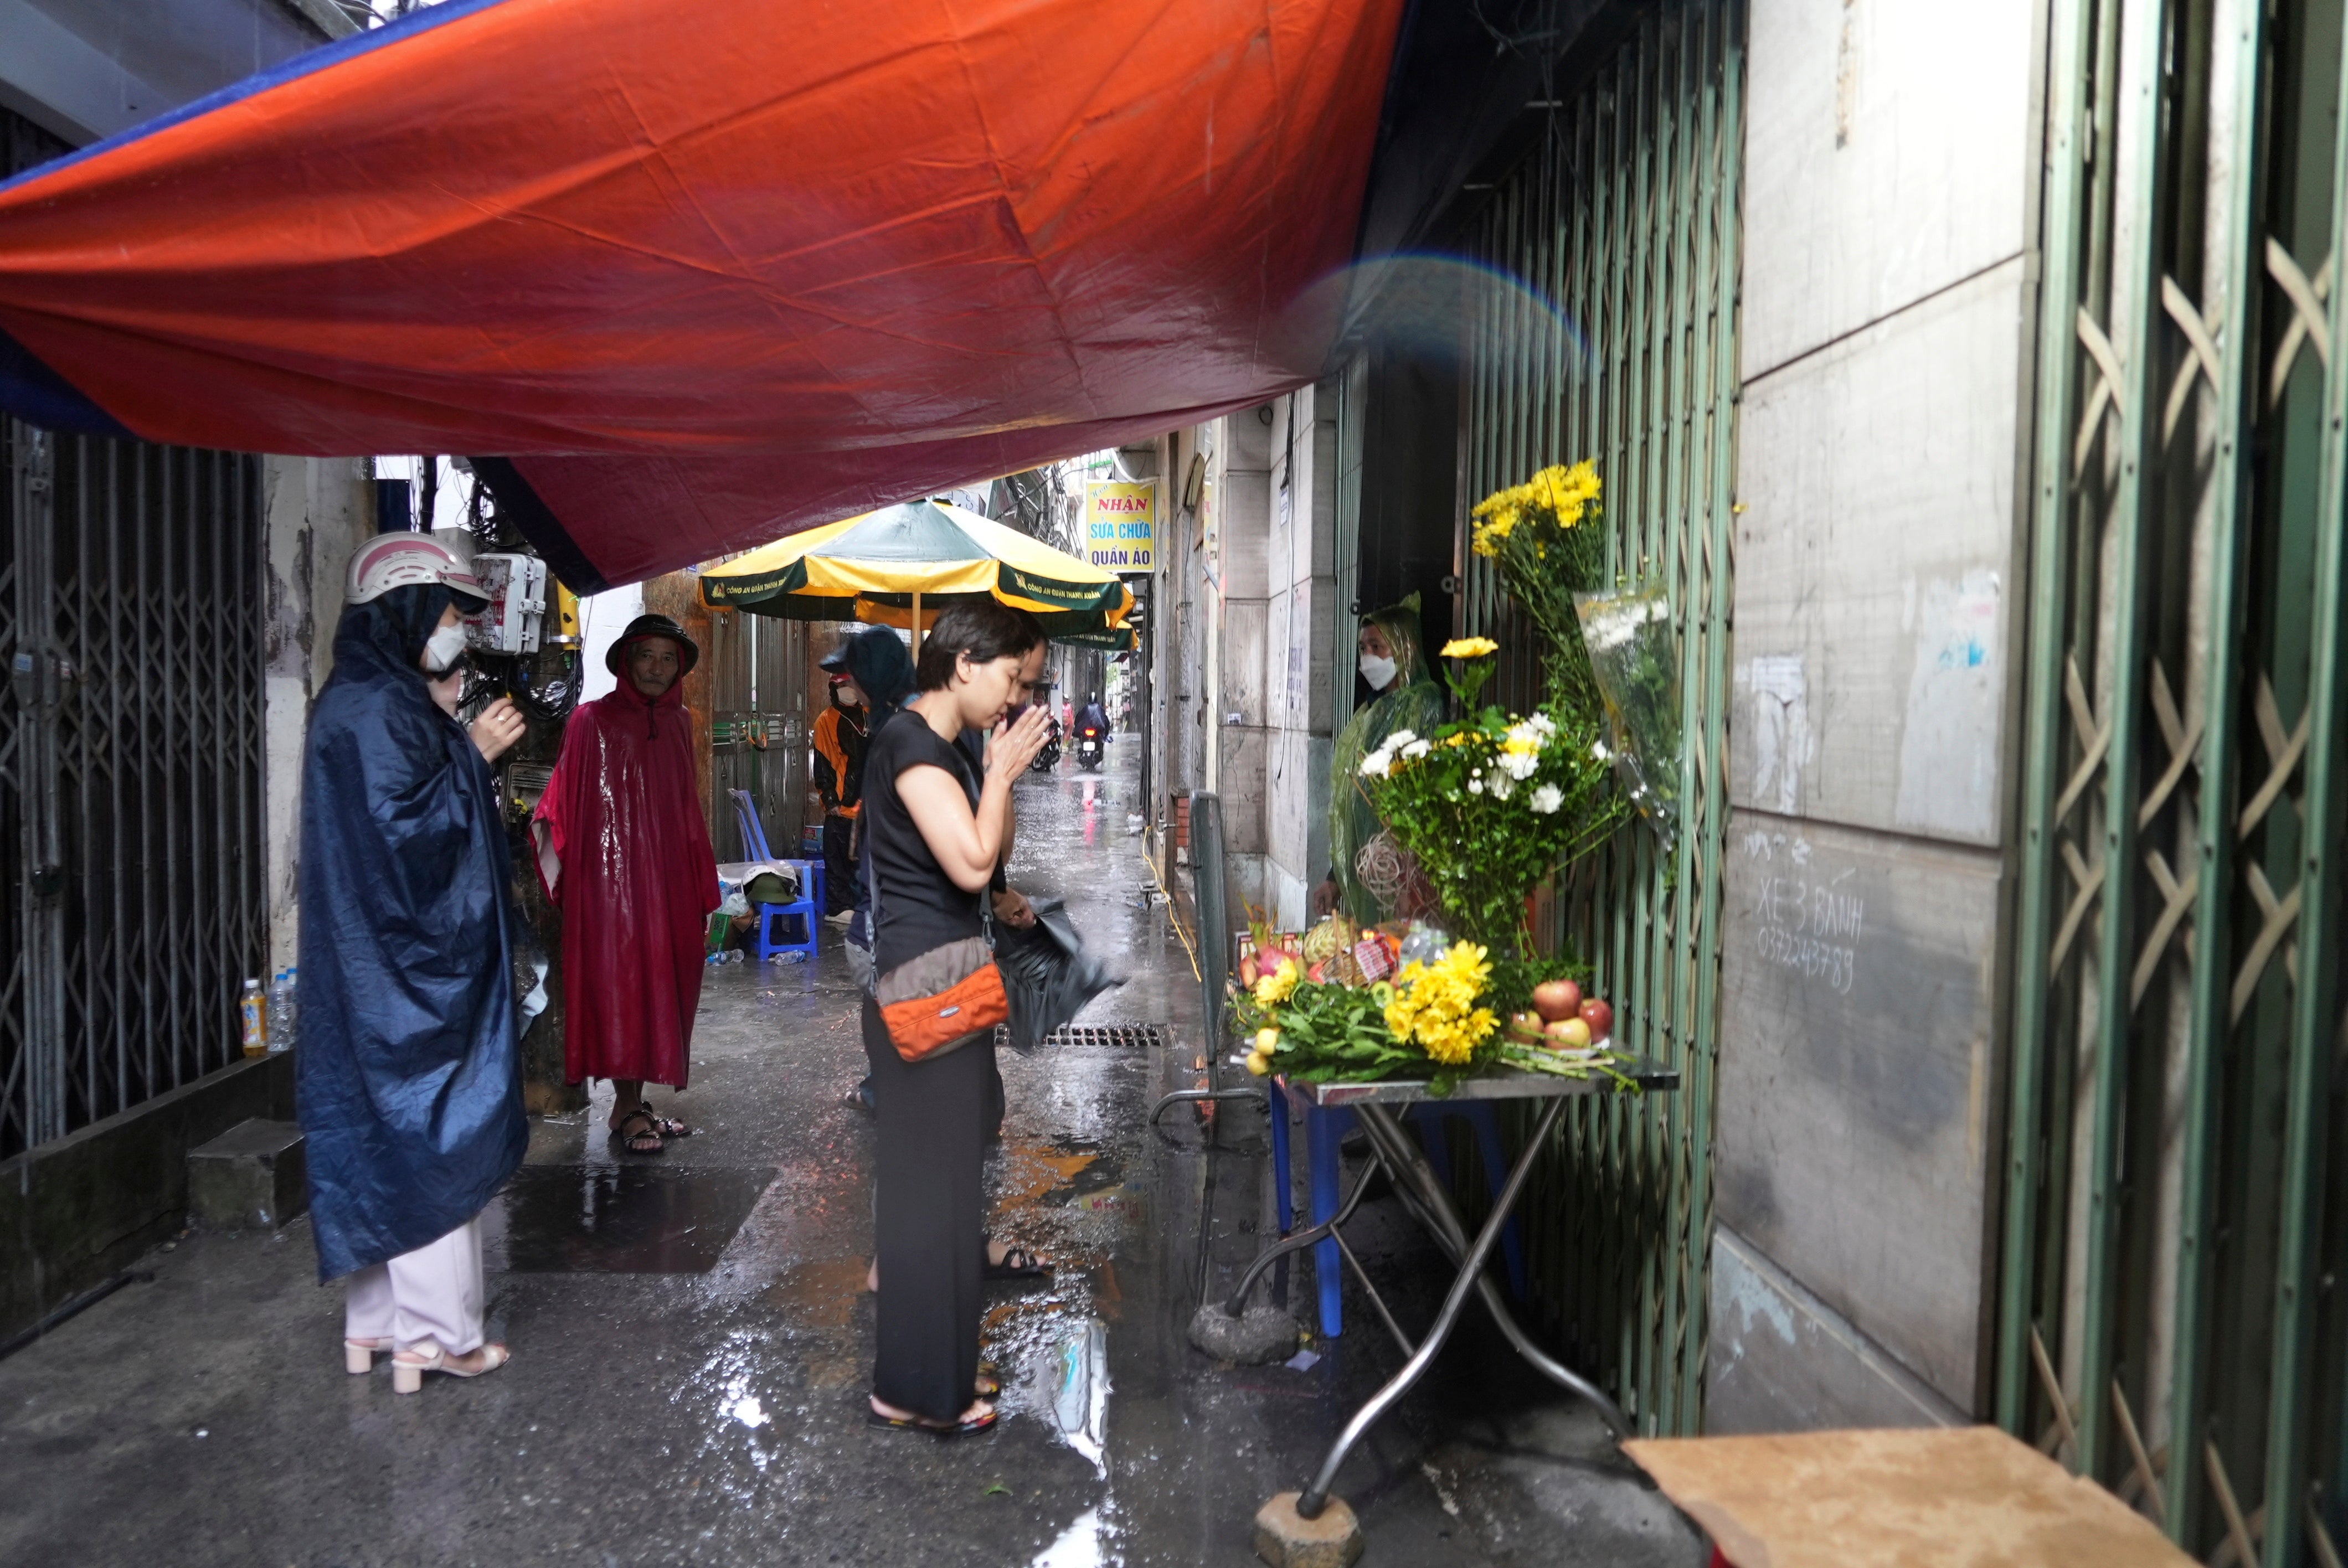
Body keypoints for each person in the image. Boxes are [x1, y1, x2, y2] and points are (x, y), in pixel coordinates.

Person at [298, 534, 528, 1395]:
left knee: (372, 1131)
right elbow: (411, 841)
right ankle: (440, 1335)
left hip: (360, 964)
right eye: (442, 611)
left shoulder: (353, 700)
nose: (452, 630)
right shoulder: (385, 710)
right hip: (402, 971)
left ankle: (376, 1328)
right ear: (402, 611)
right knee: (436, 1130)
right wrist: (474, 758)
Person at [860, 601, 1051, 1435]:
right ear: (965, 662)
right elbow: (972, 862)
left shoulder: (941, 746)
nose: (1014, 699)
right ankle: (918, 1391)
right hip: (925, 992)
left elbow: (987, 860)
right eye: (1013, 679)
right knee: (931, 1202)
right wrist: (1003, 772)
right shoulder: (909, 743)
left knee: (936, 1195)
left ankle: (921, 1374)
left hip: (944, 984)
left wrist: (994, 775)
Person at [533, 613, 719, 1155]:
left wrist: (701, 887)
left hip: (667, 884)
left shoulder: (681, 723)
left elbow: (687, 811)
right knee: (623, 990)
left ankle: (632, 1104)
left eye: (668, 658)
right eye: (647, 656)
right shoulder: (590, 722)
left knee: (662, 987)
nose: (657, 668)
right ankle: (629, 1106)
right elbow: (566, 802)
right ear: (627, 661)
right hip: (611, 890)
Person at [1316, 594, 1446, 924]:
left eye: (1377, 647)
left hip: (1405, 879)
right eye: (1363, 649)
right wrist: (1335, 878)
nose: (1368, 657)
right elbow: (1352, 801)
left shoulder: (1423, 704)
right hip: (1370, 873)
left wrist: (1409, 878)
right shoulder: (1369, 712)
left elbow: (1421, 796)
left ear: (1406, 648)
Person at [812, 663, 869, 925]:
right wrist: (829, 800)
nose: (848, 691)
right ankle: (838, 906)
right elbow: (822, 763)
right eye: (843, 686)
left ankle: (857, 904)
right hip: (840, 807)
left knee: (859, 860)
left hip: (863, 806)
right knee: (837, 859)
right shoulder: (826, 720)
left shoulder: (868, 716)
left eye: (851, 685)